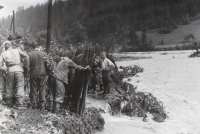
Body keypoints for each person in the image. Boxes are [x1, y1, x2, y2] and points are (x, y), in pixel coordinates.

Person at [0, 42, 29, 109]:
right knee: (19, 86)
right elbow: (27, 56)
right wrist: (25, 64)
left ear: (5, 48)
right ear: (11, 46)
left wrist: (3, 69)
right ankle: (20, 104)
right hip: (19, 69)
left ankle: (9, 104)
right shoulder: (17, 50)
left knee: (9, 87)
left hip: (9, 70)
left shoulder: (3, 53)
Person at [28, 45, 48, 111]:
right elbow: (47, 64)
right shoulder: (44, 54)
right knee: (42, 89)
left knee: (33, 89)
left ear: (33, 48)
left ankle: (34, 105)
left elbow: (28, 65)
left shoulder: (30, 54)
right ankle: (42, 106)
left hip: (33, 73)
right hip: (42, 73)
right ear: (39, 47)